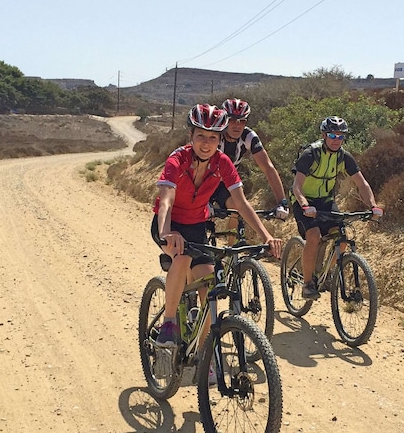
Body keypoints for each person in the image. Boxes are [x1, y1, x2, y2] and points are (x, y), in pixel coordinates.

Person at [152, 104, 283, 347]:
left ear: (220, 139)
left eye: (213, 137)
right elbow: (166, 200)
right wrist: (166, 232)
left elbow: (241, 204)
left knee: (209, 286)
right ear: (191, 135)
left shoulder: (223, 162)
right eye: (201, 135)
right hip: (171, 224)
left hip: (196, 226)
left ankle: (204, 353)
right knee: (182, 256)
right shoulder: (177, 159)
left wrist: (266, 236)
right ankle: (168, 323)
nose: (206, 143)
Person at [290, 116, 382, 300]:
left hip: (325, 201)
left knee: (342, 239)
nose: (336, 140)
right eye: (332, 135)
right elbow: (296, 186)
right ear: (324, 135)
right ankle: (307, 284)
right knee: (313, 236)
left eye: (340, 136)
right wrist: (305, 205)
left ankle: (324, 274)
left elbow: (361, 184)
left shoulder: (343, 157)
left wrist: (373, 206)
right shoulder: (311, 154)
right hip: (304, 201)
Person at [209, 98, 289, 229]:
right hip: (204, 181)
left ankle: (231, 241)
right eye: (232, 120)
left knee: (236, 209)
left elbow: (268, 168)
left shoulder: (248, 136)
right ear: (224, 120)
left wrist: (282, 202)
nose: (237, 125)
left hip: (226, 183)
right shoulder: (214, 134)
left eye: (242, 121)